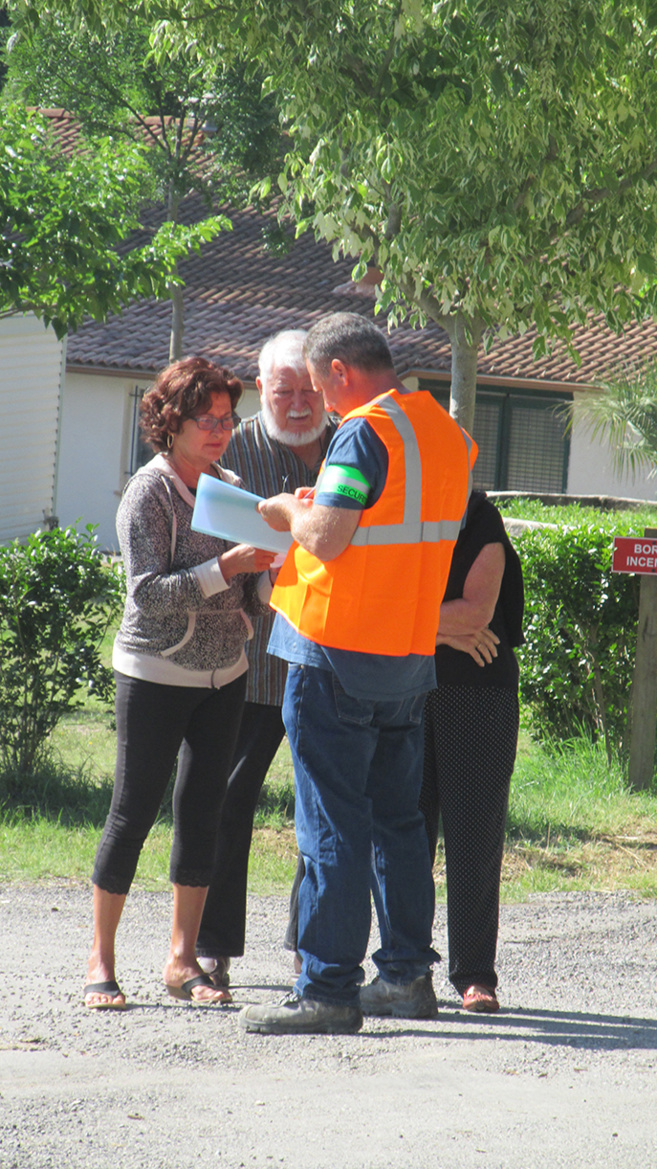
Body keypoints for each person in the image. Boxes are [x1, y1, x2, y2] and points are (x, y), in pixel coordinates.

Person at [238, 311, 476, 1035]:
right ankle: (405, 976)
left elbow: (332, 536)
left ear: (338, 372)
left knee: (330, 823)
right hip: (406, 654)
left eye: (319, 384)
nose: (320, 400)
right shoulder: (444, 432)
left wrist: (287, 509)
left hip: (336, 653)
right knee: (397, 824)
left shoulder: (362, 429)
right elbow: (393, 530)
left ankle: (327, 988)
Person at [84, 356, 275, 1010]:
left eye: (228, 417)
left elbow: (251, 583)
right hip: (155, 675)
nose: (222, 429)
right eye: (208, 418)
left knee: (205, 815)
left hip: (226, 678)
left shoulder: (229, 484)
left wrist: (271, 579)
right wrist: (227, 566)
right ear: (172, 421)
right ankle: (100, 962)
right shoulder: (151, 491)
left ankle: (180, 959)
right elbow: (147, 594)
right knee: (133, 812)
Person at [195, 330, 335, 987]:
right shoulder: (234, 450)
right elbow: (203, 543)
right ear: (260, 387)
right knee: (225, 802)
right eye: (286, 391)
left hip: (329, 660)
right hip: (249, 663)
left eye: (310, 389)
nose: (300, 403)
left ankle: (313, 945)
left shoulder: (350, 444)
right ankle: (211, 946)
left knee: (328, 807)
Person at [419, 490, 524, 1013]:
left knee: (474, 836)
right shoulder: (392, 508)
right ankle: (407, 965)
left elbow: (478, 610)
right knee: (403, 833)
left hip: (480, 691)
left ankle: (475, 974)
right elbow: (370, 600)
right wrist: (445, 632)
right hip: (405, 687)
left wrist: (419, 628)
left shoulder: (481, 517)